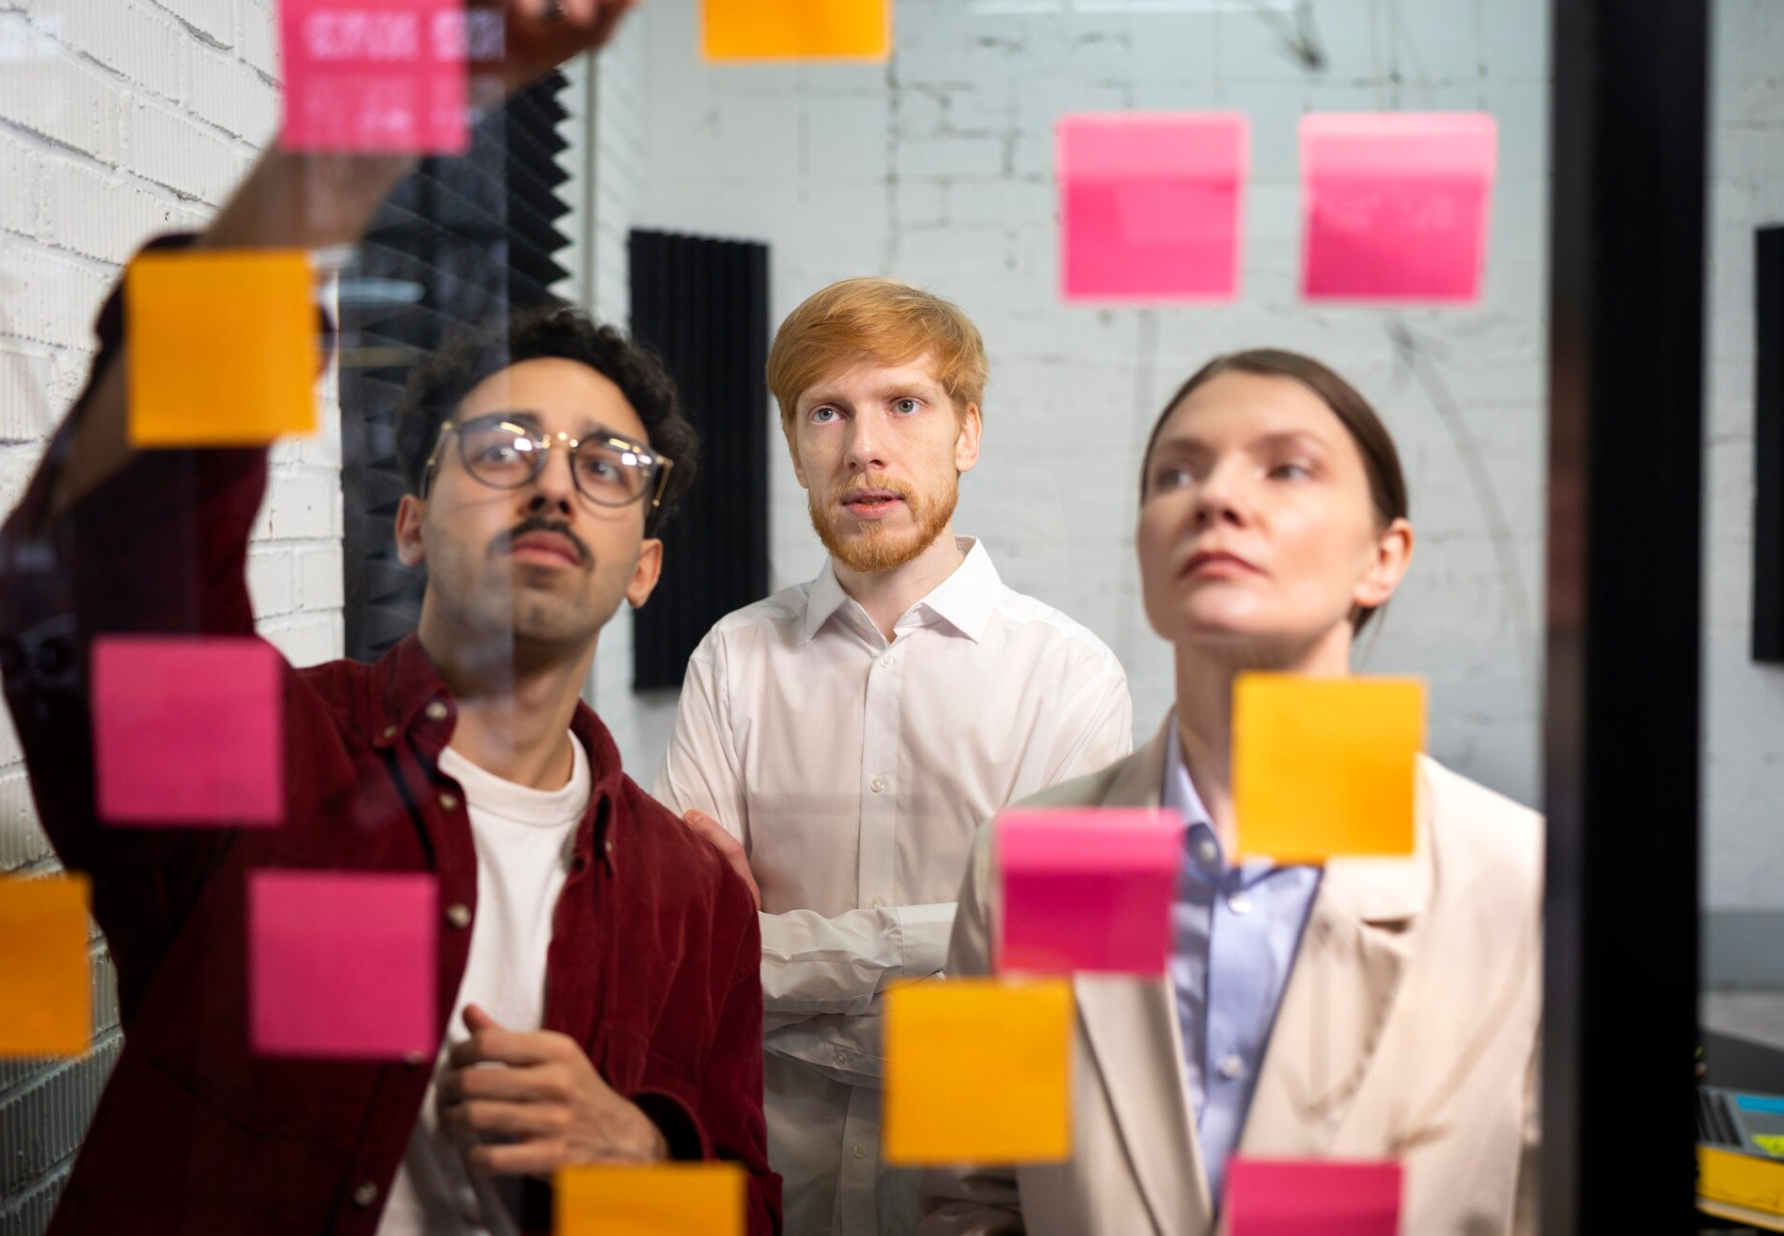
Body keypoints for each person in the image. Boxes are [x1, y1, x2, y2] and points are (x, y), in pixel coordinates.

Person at [0, 4, 779, 1234]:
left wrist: (644, 1157)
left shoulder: (697, 899)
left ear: (646, 567)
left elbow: (746, 1210)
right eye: (503, 445)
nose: (551, 478)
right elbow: (108, 564)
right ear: (409, 523)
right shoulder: (269, 762)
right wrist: (346, 140)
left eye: (607, 463)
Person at [918, 350, 1541, 1236]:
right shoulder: (1024, 858)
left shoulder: (1518, 878)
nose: (1214, 498)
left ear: (1383, 557)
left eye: (1286, 467)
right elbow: (967, 1197)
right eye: (1176, 472)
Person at [652, 277, 1134, 1236]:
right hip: (762, 1181)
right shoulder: (731, 659)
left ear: (967, 434)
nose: (863, 447)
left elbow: (1059, 976)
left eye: (902, 405)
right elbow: (687, 960)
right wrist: (954, 940)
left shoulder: (1070, 675)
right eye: (825, 412)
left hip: (975, 1192)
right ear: (794, 447)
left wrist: (783, 954)